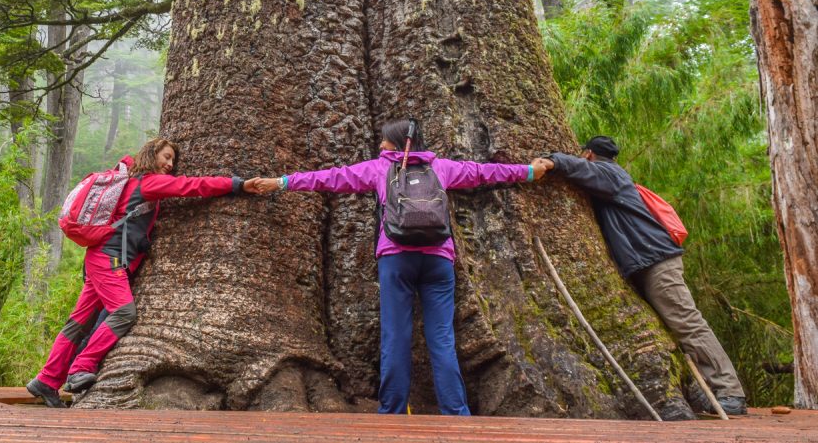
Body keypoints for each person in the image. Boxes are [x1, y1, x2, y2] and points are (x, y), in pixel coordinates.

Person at [254, 119, 550, 415]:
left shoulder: (379, 168)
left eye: (384, 140)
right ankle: (456, 412)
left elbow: (330, 178)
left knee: (395, 336)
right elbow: (484, 173)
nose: (380, 145)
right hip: (438, 258)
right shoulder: (442, 167)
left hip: (396, 258)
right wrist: (528, 171)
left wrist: (282, 182)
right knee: (442, 337)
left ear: (394, 144)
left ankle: (392, 411)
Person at [26, 137, 266, 408]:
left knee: (78, 323)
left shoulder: (131, 182)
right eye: (166, 157)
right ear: (152, 155)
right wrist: (237, 184)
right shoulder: (148, 182)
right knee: (124, 312)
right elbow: (192, 185)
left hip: (100, 256)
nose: (170, 164)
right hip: (111, 259)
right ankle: (82, 366)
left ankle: (46, 380)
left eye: (173, 160)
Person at [541, 135, 747, 416]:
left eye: (582, 155)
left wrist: (555, 159)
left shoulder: (611, 174)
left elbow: (585, 172)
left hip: (657, 261)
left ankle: (730, 393)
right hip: (649, 261)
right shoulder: (614, 174)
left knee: (688, 323)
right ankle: (706, 390)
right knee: (675, 325)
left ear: (589, 154)